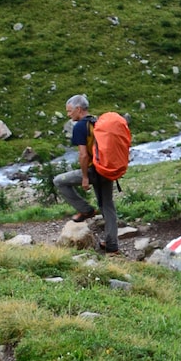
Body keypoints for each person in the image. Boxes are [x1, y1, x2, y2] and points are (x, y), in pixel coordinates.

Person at [52, 94, 118, 254]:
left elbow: (83, 155)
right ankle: (112, 246)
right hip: (106, 169)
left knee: (59, 181)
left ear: (78, 109)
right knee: (107, 206)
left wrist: (85, 177)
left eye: (69, 111)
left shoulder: (80, 126)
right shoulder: (97, 122)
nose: (68, 115)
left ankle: (86, 210)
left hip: (92, 170)